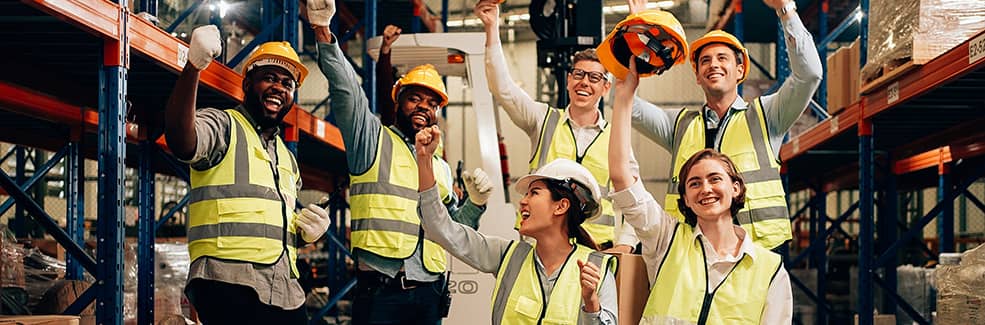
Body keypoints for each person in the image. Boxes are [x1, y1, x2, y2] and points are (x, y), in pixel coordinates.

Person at [307, 0, 488, 323]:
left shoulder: (440, 165)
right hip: (382, 293)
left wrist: (475, 203)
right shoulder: (372, 141)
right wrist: (324, 33)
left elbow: (455, 230)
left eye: (431, 102)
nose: (423, 106)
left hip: (431, 292)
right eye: (415, 98)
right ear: (398, 100)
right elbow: (347, 92)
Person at [165, 25, 331, 324]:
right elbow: (181, 140)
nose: (279, 87)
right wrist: (193, 68)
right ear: (248, 82)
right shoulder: (224, 125)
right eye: (269, 78)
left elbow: (266, 222)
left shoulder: (287, 158)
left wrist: (305, 233)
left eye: (287, 83)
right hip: (227, 280)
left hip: (284, 286)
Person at [627, 0, 822, 250]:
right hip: (691, 252)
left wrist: (786, 10)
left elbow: (809, 75)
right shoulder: (678, 125)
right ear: (697, 75)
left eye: (722, 58)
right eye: (705, 61)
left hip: (754, 253)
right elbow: (627, 104)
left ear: (740, 70)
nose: (713, 65)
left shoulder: (767, 116)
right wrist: (637, 34)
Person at [609, 61, 792, 323]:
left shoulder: (770, 270)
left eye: (714, 179)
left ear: (735, 187)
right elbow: (622, 177)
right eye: (694, 183)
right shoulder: (666, 240)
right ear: (685, 197)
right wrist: (625, 96)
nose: (705, 188)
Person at [474, 0, 639, 252]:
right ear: (568, 80)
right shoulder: (542, 120)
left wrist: (626, 245)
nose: (585, 82)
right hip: (540, 247)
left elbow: (634, 196)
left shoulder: (616, 140)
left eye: (594, 77)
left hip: (594, 251)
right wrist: (491, 29)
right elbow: (503, 89)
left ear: (606, 88)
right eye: (579, 74)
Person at [415, 125, 618, 324]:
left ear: (561, 206)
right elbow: (439, 228)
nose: (523, 201)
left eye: (534, 192)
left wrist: (591, 304)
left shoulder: (596, 269)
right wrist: (424, 161)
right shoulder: (508, 256)